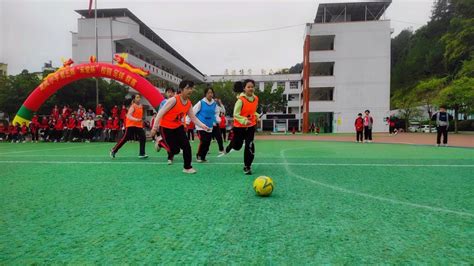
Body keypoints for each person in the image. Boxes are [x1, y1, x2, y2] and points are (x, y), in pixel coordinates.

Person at [151, 80, 210, 174]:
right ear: (181, 90)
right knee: (175, 150)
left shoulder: (189, 103)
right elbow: (160, 113)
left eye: (191, 88)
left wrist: (203, 126)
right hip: (166, 127)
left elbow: (193, 118)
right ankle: (160, 142)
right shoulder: (173, 100)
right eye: (187, 88)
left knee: (186, 146)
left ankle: (187, 167)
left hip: (178, 127)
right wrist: (154, 128)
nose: (190, 90)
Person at [220, 80, 259, 175]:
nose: (251, 88)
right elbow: (235, 114)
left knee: (250, 145)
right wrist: (244, 120)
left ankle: (247, 166)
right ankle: (229, 147)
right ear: (244, 88)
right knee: (237, 146)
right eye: (248, 87)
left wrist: (257, 116)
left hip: (251, 126)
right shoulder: (240, 100)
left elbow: (253, 111)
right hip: (239, 127)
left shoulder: (256, 99)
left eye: (252, 87)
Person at [110, 94, 148, 158]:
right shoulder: (132, 106)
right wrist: (136, 119)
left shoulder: (141, 106)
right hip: (131, 125)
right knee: (125, 138)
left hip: (138, 125)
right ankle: (113, 150)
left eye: (139, 97)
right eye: (137, 97)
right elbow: (128, 116)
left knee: (143, 137)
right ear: (134, 99)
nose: (139, 98)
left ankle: (142, 154)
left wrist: (140, 121)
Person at [193, 87, 222, 162]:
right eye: (208, 93)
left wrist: (217, 120)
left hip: (210, 126)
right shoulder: (201, 102)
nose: (210, 94)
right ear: (205, 94)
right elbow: (193, 112)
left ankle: (203, 157)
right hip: (200, 125)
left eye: (211, 93)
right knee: (203, 140)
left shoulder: (214, 104)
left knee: (208, 142)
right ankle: (198, 156)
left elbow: (216, 113)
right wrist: (187, 120)